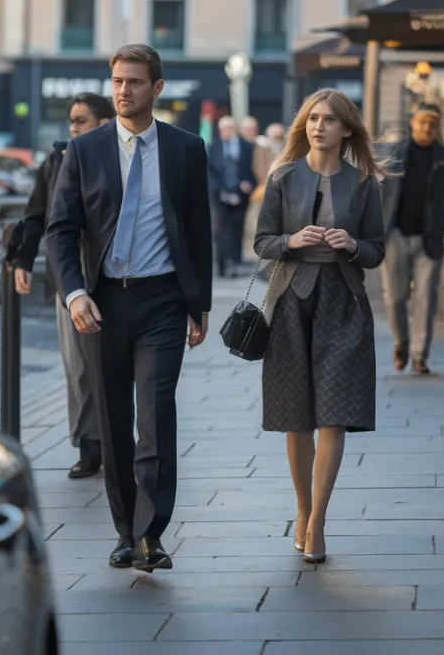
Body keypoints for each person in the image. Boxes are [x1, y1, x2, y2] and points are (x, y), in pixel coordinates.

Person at [46, 43, 213, 573]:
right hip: (101, 302)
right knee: (115, 423)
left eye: (135, 82)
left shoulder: (186, 149)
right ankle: (124, 531)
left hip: (162, 299)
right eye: (117, 81)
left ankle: (151, 534)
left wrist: (198, 303)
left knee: (156, 417)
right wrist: (75, 294)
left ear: (156, 89)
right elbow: (60, 230)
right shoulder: (86, 150)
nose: (123, 90)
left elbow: (197, 230)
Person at [253, 88, 387, 565]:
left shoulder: (365, 183)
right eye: (313, 119)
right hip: (292, 300)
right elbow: (262, 243)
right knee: (297, 415)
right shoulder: (284, 177)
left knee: (333, 412)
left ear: (346, 129)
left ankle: (317, 522)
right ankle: (302, 507)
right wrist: (292, 239)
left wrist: (351, 243)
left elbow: (376, 250)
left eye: (329, 120)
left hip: (344, 302)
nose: (318, 126)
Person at [6, 91, 113, 479]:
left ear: (103, 123)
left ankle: (115, 439)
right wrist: (22, 259)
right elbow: (37, 215)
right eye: (70, 120)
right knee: (78, 366)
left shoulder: (120, 157)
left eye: (80, 120)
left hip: (114, 273)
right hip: (68, 274)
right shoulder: (57, 160)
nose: (71, 128)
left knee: (111, 365)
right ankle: (89, 445)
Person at [381, 105, 444, 375]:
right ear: (413, 123)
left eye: (432, 123)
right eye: (422, 122)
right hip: (395, 235)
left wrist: (442, 224)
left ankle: (420, 355)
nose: (427, 128)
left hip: (429, 239)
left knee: (426, 299)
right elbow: (379, 192)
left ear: (438, 127)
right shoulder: (394, 153)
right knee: (395, 297)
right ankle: (401, 343)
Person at [208, 116, 256, 277]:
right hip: (219, 195)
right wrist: (220, 189)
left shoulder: (246, 146)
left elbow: (251, 169)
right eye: (222, 128)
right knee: (220, 229)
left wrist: (248, 182)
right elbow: (210, 172)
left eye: (228, 128)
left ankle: (235, 262)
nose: (225, 131)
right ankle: (222, 265)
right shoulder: (213, 147)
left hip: (240, 194)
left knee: (237, 228)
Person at [242, 117, 274, 264]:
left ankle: (253, 252)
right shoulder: (246, 144)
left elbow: (262, 168)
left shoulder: (262, 145)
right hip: (250, 189)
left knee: (255, 222)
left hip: (260, 190)